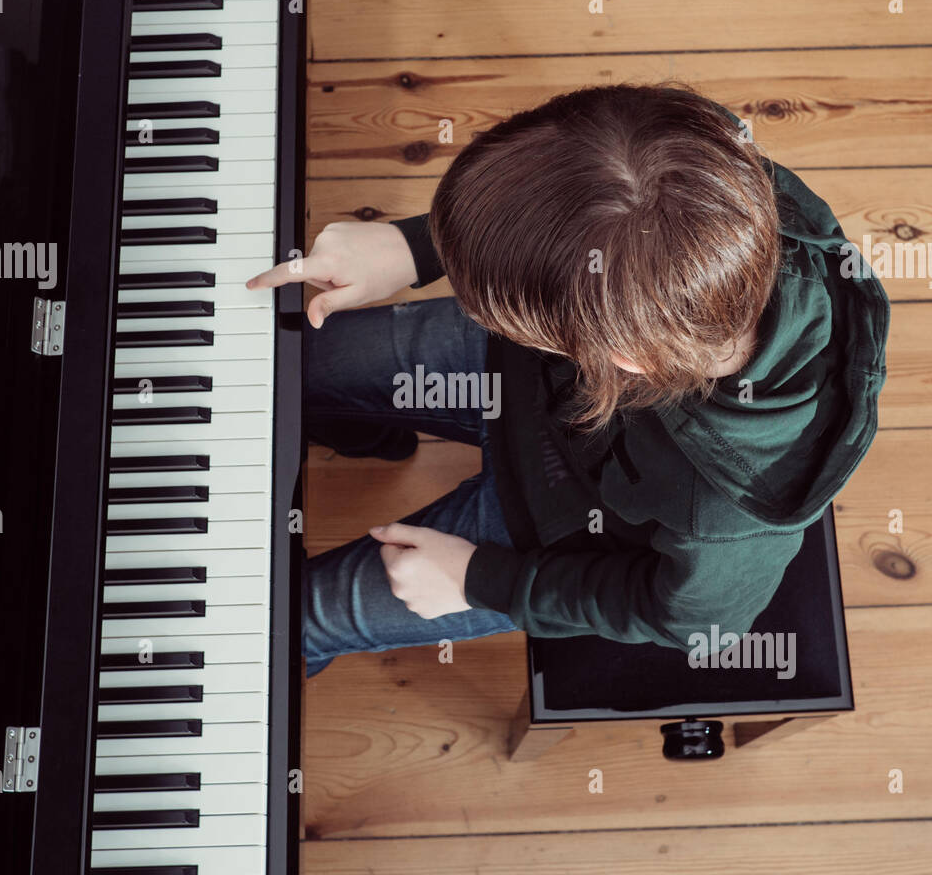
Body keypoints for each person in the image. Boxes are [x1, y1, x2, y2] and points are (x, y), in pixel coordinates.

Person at [246, 83, 889, 678]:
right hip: (533, 372)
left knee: (284, 621)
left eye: (484, 304)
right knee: (285, 363)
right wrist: (419, 247)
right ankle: (372, 438)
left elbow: (697, 623)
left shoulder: (732, 518)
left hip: (552, 528)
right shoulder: (703, 155)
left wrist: (482, 582)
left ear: (622, 358)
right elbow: (584, 206)